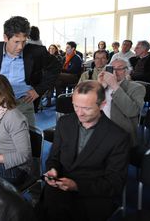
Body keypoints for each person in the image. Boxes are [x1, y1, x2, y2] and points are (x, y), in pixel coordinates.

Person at [37, 80, 130, 221]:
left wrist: (77, 186)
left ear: (102, 105)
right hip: (60, 187)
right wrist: (53, 169)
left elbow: (114, 183)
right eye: (75, 106)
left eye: (86, 108)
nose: (79, 113)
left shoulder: (118, 137)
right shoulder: (65, 123)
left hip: (93, 195)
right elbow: (54, 158)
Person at [0, 16, 59, 132]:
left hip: (23, 102)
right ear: (5, 38)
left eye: (24, 41)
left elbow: (55, 67)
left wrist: (38, 90)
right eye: (16, 42)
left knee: (28, 140)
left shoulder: (36, 52)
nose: (20, 47)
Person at [98, 59, 145, 146]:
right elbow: (88, 106)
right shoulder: (102, 86)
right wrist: (99, 87)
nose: (115, 72)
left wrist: (115, 86)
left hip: (120, 132)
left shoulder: (137, 88)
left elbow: (132, 111)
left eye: (119, 69)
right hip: (98, 131)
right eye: (112, 68)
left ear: (127, 71)